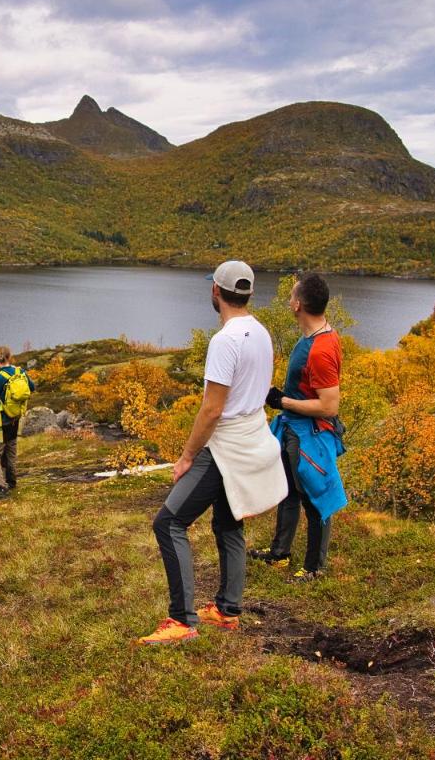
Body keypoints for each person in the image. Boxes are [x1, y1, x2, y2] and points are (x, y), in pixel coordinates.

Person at [139, 261, 287, 645]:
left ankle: (181, 620)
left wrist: (187, 456)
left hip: (224, 446)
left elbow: (212, 409)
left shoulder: (224, 341)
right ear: (249, 293)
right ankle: (227, 610)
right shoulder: (260, 332)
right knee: (227, 522)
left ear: (215, 293)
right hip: (252, 438)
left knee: (168, 523)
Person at [251, 272, 347, 581]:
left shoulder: (320, 349)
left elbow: (329, 405)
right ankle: (280, 554)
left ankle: (315, 568)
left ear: (299, 305)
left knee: (314, 496)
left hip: (311, 434)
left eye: (292, 296)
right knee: (288, 491)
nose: (289, 300)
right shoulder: (313, 338)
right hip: (295, 428)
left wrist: (283, 402)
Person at [0, 346, 35, 500]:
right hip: (15, 419)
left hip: (0, 421)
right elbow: (32, 387)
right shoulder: (20, 372)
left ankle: (0, 487)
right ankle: (11, 482)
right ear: (10, 356)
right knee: (10, 450)